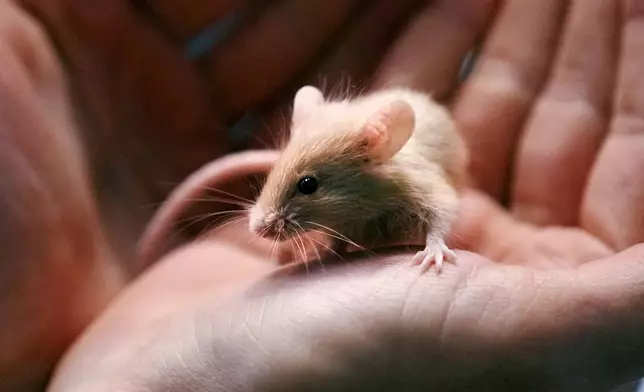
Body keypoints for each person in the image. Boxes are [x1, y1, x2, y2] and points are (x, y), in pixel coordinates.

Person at [1, 0, 644, 390]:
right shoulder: (334, 157)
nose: (269, 214)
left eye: (304, 188)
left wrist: (437, 245)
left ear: (377, 152)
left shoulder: (394, 163)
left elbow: (437, 206)